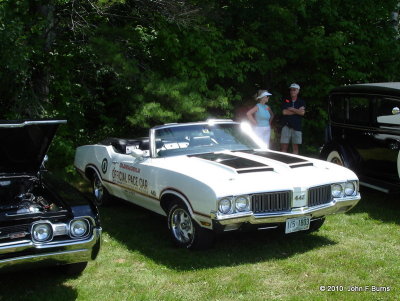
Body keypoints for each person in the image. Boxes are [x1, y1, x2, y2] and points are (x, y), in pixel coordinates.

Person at [280, 83, 305, 154]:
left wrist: (292, 109)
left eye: (294, 90)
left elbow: (302, 113)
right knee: (284, 146)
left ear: (298, 91)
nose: (292, 91)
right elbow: (284, 112)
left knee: (295, 146)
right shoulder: (286, 100)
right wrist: (297, 111)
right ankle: (283, 162)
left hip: (297, 126)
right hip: (286, 125)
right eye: (291, 90)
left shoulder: (301, 101)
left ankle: (295, 162)